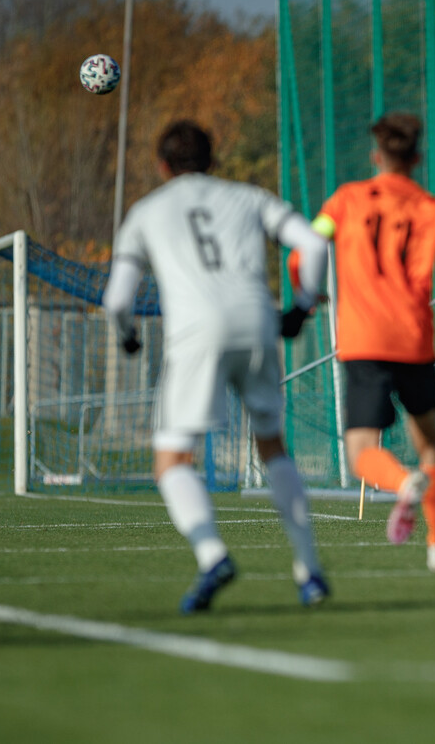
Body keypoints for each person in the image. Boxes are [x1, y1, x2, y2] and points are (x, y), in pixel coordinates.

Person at [102, 120, 331, 613]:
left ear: (162, 166)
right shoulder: (250, 197)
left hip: (195, 332)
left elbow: (116, 298)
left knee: (171, 458)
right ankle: (309, 571)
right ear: (214, 160)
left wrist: (127, 338)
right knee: (272, 446)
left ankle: (212, 556)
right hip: (256, 319)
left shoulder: (147, 211)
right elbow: (314, 244)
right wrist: (299, 308)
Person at [312, 112, 435, 572]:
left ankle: (400, 484)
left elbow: (308, 244)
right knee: (430, 443)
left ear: (376, 156)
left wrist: (306, 286)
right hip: (415, 342)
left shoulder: (345, 201)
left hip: (363, 342)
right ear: (416, 158)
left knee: (360, 451)